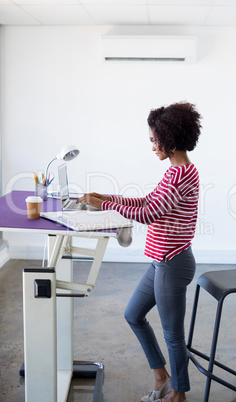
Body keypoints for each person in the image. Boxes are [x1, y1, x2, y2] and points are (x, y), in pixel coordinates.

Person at [78, 102, 202, 402]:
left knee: (173, 335)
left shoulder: (181, 175)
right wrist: (108, 197)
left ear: (169, 138)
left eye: (153, 141)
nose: (152, 147)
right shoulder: (177, 172)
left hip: (171, 263)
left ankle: (178, 394)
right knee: (133, 315)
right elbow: (148, 201)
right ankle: (161, 376)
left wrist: (104, 205)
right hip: (163, 262)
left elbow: (148, 214)